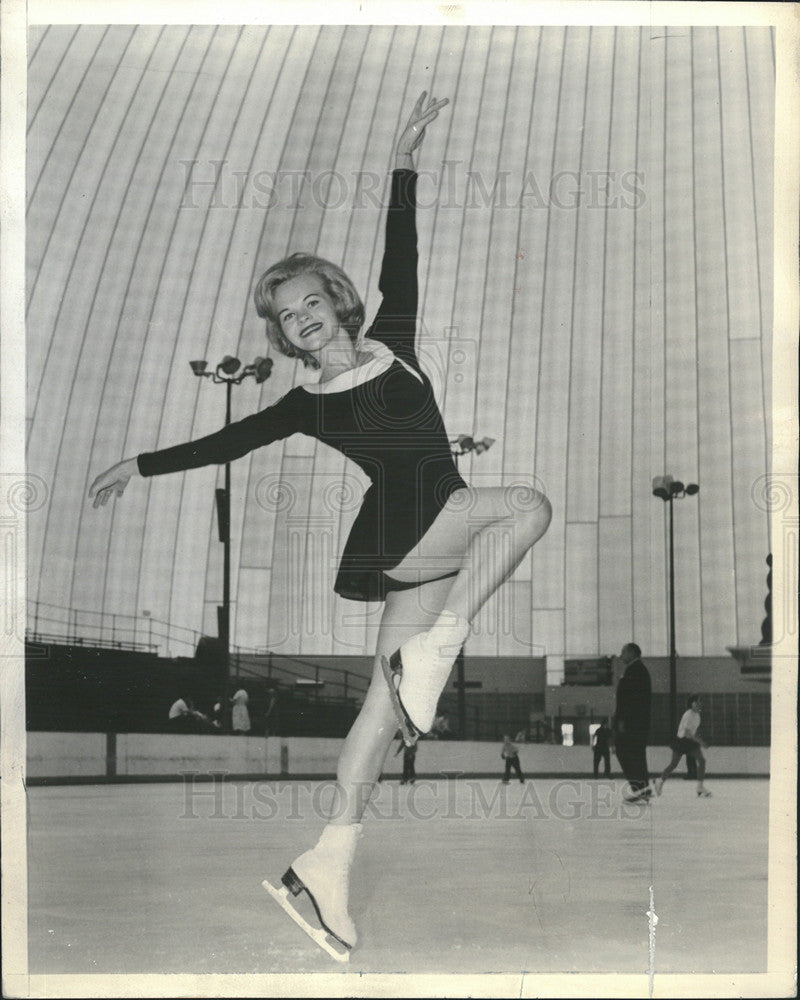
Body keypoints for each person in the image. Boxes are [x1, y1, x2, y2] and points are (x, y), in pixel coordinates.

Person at [89, 92, 552, 960]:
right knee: (527, 506)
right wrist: (139, 464)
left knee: (380, 718)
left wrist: (404, 157)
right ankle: (446, 640)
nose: (300, 317)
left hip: (425, 549)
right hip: (419, 531)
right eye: (285, 315)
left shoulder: (398, 338)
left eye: (309, 301)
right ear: (287, 334)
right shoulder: (305, 405)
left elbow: (401, 245)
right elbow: (224, 440)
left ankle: (324, 868)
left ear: (337, 302)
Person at [612, 643, 652, 801]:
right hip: (636, 723)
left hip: (632, 723)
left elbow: (629, 700)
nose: (621, 655)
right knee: (635, 754)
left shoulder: (636, 671)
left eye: (623, 652)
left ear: (631, 653)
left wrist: (622, 721)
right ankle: (642, 789)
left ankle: (640, 788)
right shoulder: (636, 670)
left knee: (626, 751)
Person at [654, 695, 712, 798]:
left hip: (690, 742)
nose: (699, 703)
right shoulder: (688, 714)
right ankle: (660, 781)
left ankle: (700, 787)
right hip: (682, 741)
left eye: (700, 702)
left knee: (702, 760)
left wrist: (698, 740)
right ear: (691, 703)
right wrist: (701, 742)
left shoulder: (697, 715)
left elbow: (693, 731)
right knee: (673, 764)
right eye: (696, 701)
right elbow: (687, 732)